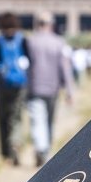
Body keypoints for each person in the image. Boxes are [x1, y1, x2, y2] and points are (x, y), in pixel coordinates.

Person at [25, 11, 74, 166]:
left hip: (34, 86)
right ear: (51, 24)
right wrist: (69, 91)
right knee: (49, 120)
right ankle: (45, 150)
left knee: (37, 119)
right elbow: (65, 68)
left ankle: (42, 148)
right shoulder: (59, 42)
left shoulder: (30, 42)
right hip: (53, 88)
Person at [0, 13, 29, 166]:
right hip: (20, 84)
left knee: (2, 119)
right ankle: (16, 145)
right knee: (16, 117)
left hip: (1, 85)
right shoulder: (22, 40)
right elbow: (29, 62)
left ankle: (6, 153)